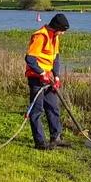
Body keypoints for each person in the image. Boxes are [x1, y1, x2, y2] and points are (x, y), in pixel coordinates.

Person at [24, 13, 72, 150]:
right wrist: (41, 73)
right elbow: (30, 58)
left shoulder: (54, 37)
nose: (62, 33)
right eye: (62, 30)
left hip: (49, 79)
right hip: (36, 79)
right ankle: (40, 142)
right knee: (37, 110)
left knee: (53, 107)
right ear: (56, 27)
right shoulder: (40, 36)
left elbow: (55, 58)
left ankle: (55, 138)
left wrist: (56, 76)